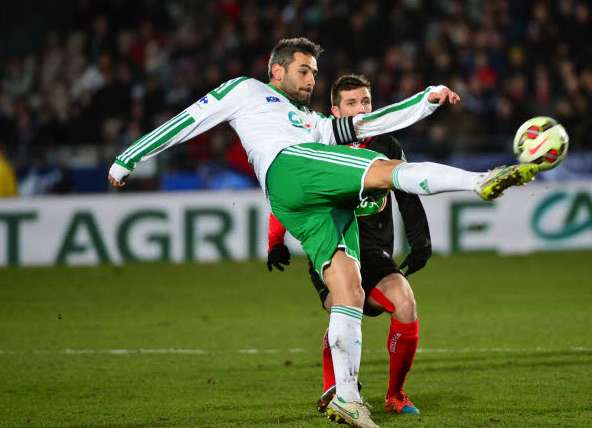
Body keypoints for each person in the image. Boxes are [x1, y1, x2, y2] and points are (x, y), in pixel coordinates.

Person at [107, 37, 538, 428]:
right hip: (290, 167)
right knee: (391, 173)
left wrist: (424, 102)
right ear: (275, 70)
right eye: (304, 70)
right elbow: (189, 120)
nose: (312, 79)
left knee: (347, 288)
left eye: (314, 72)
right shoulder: (246, 91)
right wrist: (128, 158)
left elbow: (363, 126)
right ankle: (481, 181)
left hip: (306, 202)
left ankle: (346, 398)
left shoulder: (310, 121)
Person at [266, 74, 430, 417]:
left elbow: (407, 191)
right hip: (334, 247)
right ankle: (336, 387)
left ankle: (396, 395)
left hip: (375, 253)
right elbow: (289, 192)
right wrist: (275, 239)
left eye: (366, 102)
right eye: (352, 104)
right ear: (335, 111)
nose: (361, 109)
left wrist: (420, 242)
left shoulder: (386, 144)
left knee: (405, 304)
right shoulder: (318, 144)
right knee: (345, 306)